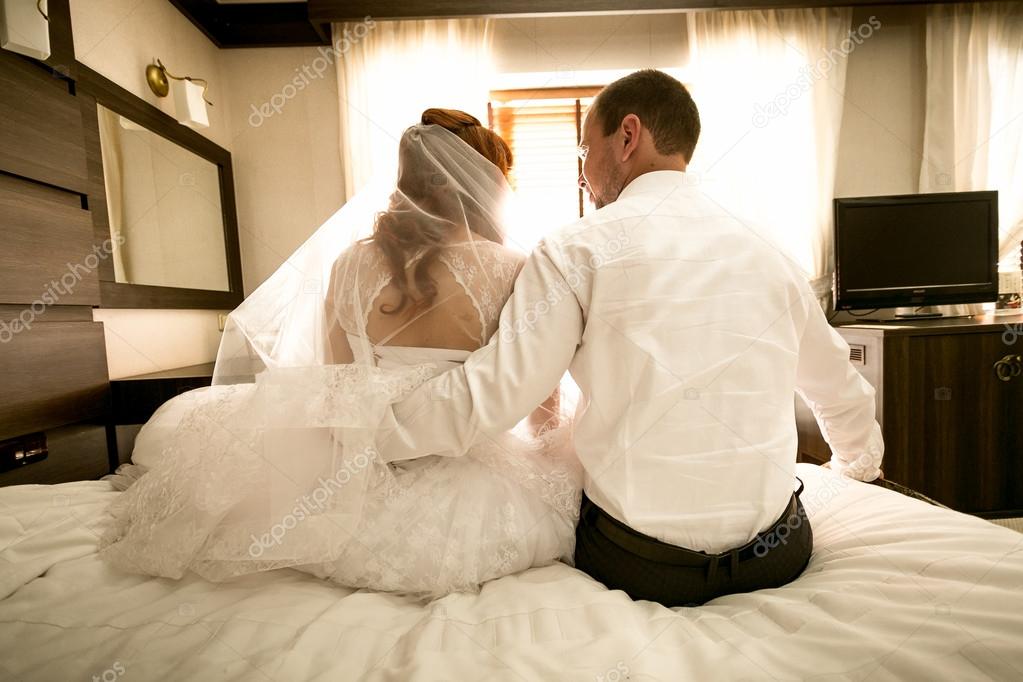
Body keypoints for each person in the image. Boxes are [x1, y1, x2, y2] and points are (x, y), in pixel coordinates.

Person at [379, 70, 885, 607]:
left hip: (641, 565)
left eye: (583, 153)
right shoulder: (770, 250)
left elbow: (497, 393)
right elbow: (837, 386)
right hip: (776, 557)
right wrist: (858, 467)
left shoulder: (574, 249)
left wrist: (378, 433)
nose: (582, 177)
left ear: (627, 136)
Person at [99, 108, 582, 599]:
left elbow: (337, 382)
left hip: (363, 466)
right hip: (473, 466)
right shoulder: (511, 268)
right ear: (484, 184)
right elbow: (534, 382)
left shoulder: (350, 264)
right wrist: (544, 456)